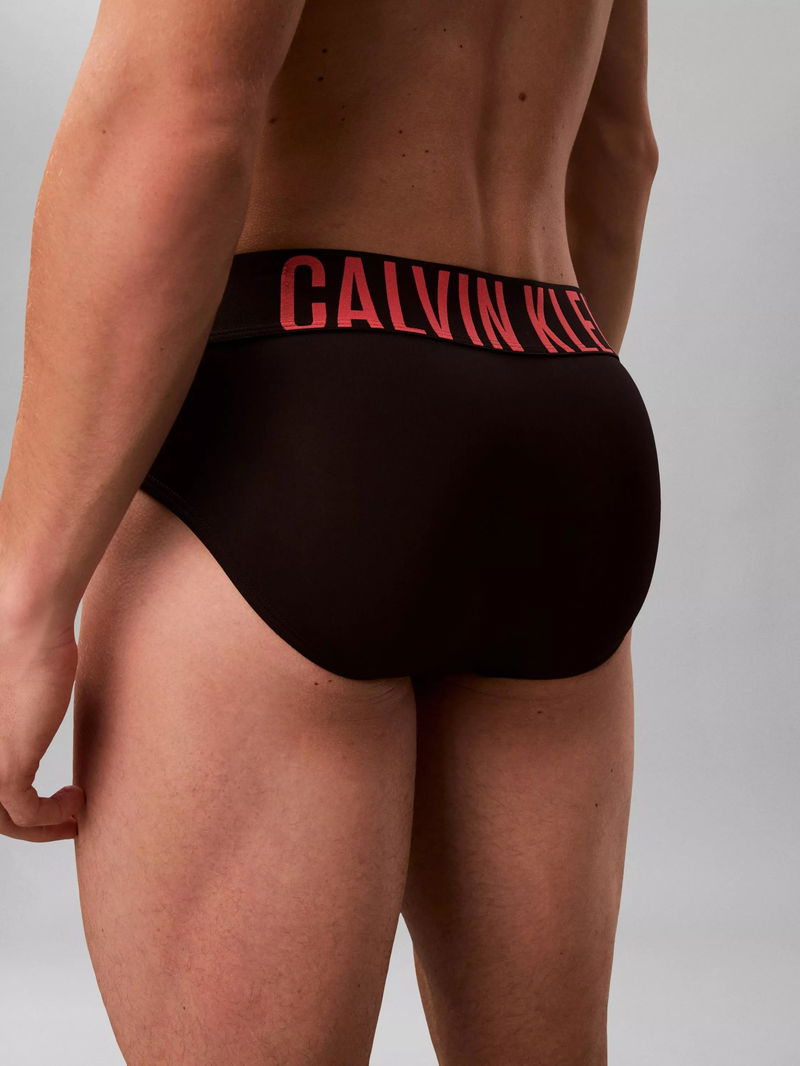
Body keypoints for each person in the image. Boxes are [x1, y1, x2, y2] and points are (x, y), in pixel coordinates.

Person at [0, 0, 661, 1062]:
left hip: (297, 413)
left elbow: (175, 117)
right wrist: (494, 435)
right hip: (562, 403)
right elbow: (619, 145)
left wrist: (22, 594)